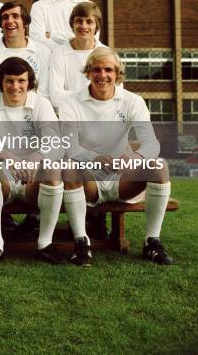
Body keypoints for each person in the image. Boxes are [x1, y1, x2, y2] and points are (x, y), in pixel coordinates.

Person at [59, 47, 173, 266]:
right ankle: (82, 244)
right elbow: (69, 146)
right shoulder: (70, 103)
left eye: (108, 70)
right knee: (70, 167)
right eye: (97, 69)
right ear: (88, 72)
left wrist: (136, 157)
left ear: (117, 73)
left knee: (160, 166)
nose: (103, 75)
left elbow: (151, 143)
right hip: (88, 178)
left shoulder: (132, 101)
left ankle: (152, 242)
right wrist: (95, 158)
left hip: (123, 179)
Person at [0, 57, 65, 265]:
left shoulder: (41, 104)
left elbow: (55, 143)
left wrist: (36, 156)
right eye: (10, 81)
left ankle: (45, 244)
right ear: (1, 82)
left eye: (21, 81)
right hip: (2, 181)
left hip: (33, 182)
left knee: (53, 170)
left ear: (29, 82)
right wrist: (6, 156)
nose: (15, 86)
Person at [0, 2, 50, 98]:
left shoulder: (43, 51)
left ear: (25, 22)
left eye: (15, 16)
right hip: (1, 109)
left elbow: (44, 93)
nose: (9, 21)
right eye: (5, 17)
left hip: (33, 109)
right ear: (1, 24)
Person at [49, 1, 105, 111]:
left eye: (89, 22)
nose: (83, 26)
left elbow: (114, 93)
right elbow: (55, 97)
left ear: (96, 26)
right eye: (79, 21)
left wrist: (72, 96)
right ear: (72, 24)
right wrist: (94, 95)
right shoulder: (58, 54)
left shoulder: (106, 54)